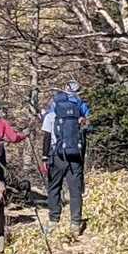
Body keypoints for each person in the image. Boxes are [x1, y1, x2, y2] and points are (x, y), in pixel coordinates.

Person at [42, 86, 88, 235]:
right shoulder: (78, 116)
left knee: (54, 188)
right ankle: (75, 223)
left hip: (57, 156)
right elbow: (83, 136)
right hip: (75, 157)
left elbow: (47, 138)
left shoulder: (50, 116)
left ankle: (53, 220)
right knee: (75, 190)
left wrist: (44, 157)